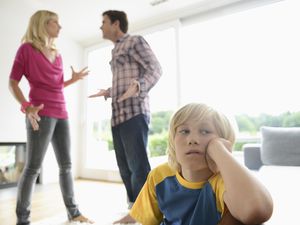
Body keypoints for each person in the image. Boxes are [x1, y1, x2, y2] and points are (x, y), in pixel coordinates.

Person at [113, 103, 273, 225]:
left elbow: (257, 210)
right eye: (184, 131)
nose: (192, 139)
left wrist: (219, 152)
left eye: (205, 131)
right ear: (173, 142)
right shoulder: (159, 176)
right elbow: (143, 216)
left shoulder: (223, 182)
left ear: (223, 142)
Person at [8, 10, 93, 225]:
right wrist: (27, 107)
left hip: (61, 112)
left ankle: (73, 213)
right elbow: (13, 82)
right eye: (55, 23)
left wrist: (71, 80)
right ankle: (23, 220)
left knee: (66, 165)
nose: (60, 27)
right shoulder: (26, 50)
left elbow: (55, 85)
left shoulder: (58, 54)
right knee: (33, 168)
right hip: (40, 112)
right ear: (42, 25)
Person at [89, 10, 162, 207]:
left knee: (138, 166)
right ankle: (133, 209)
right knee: (125, 168)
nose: (101, 26)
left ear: (115, 24)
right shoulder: (115, 50)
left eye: (103, 22)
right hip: (117, 116)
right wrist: (109, 91)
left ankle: (147, 211)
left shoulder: (134, 41)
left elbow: (155, 69)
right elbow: (124, 83)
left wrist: (139, 85)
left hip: (135, 113)